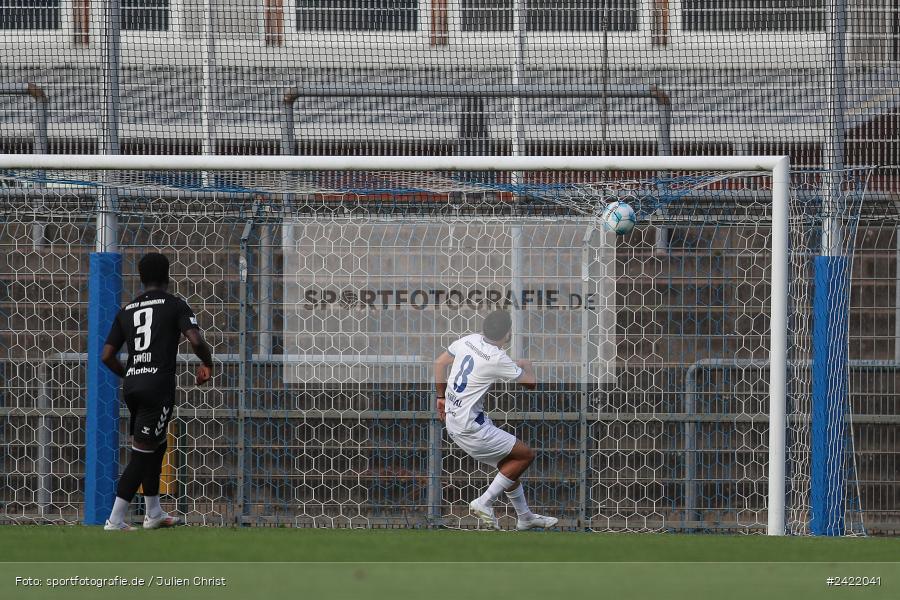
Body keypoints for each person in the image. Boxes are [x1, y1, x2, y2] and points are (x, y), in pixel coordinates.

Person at [100, 252, 213, 531]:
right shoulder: (175, 305)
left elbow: (106, 355)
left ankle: (154, 513)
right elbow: (195, 339)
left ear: (140, 278)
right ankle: (115, 519)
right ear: (167, 276)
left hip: (133, 386)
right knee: (142, 452)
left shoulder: (126, 310)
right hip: (157, 387)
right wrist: (207, 362)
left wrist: (130, 374)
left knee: (157, 443)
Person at [433, 310, 558, 531]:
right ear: (508, 333)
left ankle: (525, 517)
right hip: (471, 427)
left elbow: (440, 363)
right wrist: (526, 365)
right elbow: (530, 383)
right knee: (525, 455)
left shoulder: (468, 340)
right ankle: (484, 502)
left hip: (454, 420)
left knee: (508, 467)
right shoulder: (496, 357)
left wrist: (441, 397)